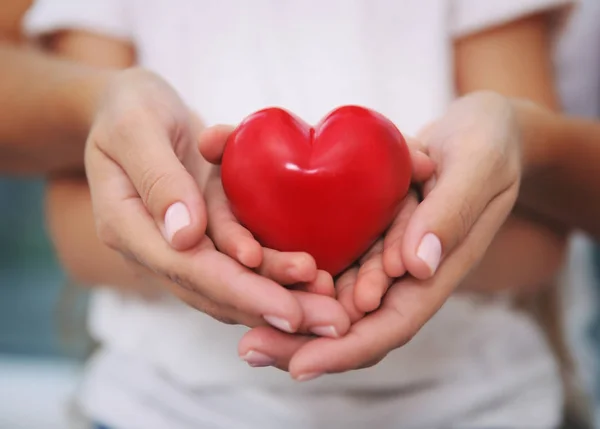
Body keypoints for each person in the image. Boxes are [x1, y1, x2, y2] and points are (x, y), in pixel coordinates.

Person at [25, 0, 574, 428]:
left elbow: (539, 240)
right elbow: (81, 230)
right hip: (161, 409)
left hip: (478, 407)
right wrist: (184, 234)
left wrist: (431, 240)